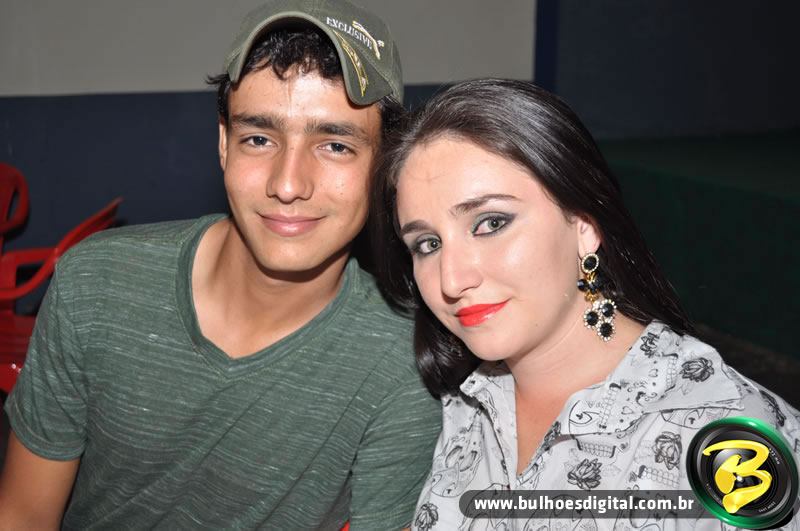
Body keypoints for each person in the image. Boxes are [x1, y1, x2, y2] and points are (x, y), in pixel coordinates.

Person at [0, 0, 440, 528]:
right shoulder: (95, 284)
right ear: (224, 145)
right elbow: (23, 513)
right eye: (259, 138)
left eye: (335, 145)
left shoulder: (402, 361)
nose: (288, 184)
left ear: (385, 164)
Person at [371, 78, 800, 530]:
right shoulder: (463, 403)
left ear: (584, 226)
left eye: (491, 223)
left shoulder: (728, 437)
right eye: (428, 244)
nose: (452, 279)